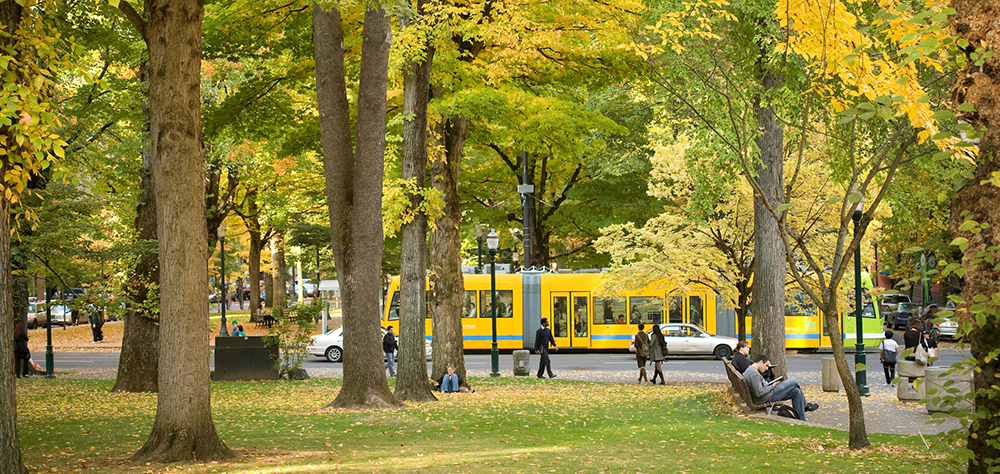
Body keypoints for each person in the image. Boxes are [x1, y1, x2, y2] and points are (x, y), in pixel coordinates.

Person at [743, 354, 819, 421]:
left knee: (796, 391)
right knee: (794, 381)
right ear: (760, 362)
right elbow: (759, 393)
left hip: (766, 395)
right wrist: (773, 385)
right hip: (766, 397)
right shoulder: (754, 374)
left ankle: (801, 420)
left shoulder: (751, 370)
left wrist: (771, 383)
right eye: (766, 365)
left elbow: (761, 388)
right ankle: (805, 405)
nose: (767, 369)